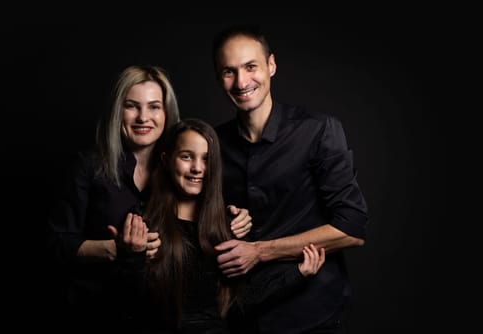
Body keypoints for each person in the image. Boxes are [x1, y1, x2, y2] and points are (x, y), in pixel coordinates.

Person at [46, 66, 252, 326]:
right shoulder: (88, 167)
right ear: (117, 111)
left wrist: (234, 216)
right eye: (132, 106)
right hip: (94, 313)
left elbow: (202, 216)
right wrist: (113, 250)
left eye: (154, 106)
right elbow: (55, 244)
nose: (144, 117)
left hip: (158, 318)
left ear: (167, 113)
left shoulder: (178, 169)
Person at [211, 24, 369, 333]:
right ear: (219, 78)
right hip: (242, 316)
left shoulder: (318, 131)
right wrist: (225, 219)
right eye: (229, 71)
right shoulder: (214, 144)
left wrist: (259, 250)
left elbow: (352, 228)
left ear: (271, 65)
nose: (242, 82)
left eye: (250, 67)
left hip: (311, 315)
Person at [117, 118, 325, 333]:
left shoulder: (228, 225)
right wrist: (132, 257)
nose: (198, 168)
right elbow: (130, 308)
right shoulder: (142, 223)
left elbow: (237, 306)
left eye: (206, 159)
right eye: (186, 156)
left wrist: (296, 275)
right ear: (166, 159)